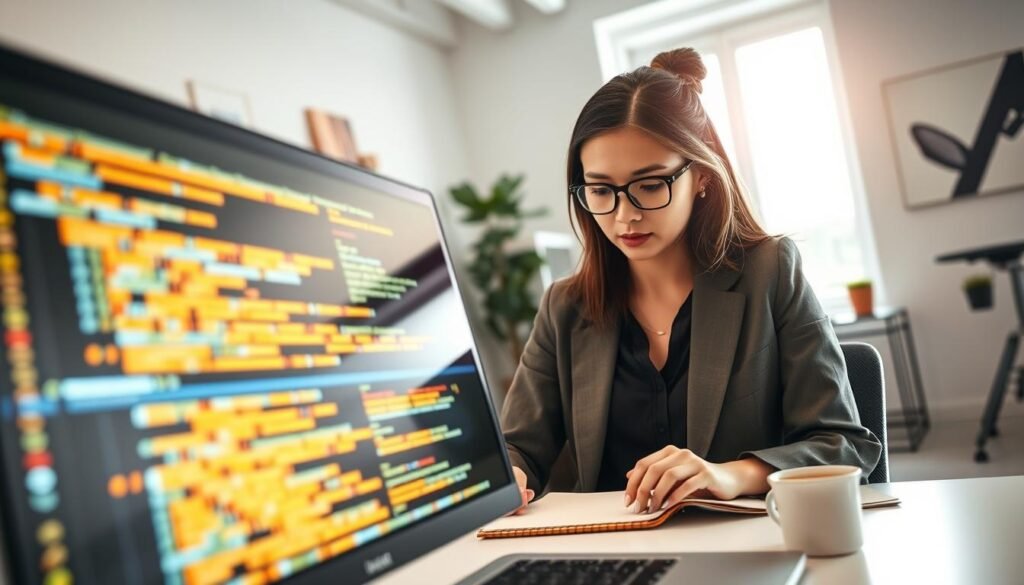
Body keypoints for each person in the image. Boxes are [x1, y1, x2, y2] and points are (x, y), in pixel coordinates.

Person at [501, 47, 881, 516]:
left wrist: (728, 474)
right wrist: (510, 476)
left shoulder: (770, 271)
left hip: (745, 547)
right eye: (600, 190)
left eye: (650, 184)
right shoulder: (565, 305)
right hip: (612, 552)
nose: (625, 215)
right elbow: (516, 448)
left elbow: (842, 444)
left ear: (700, 176)